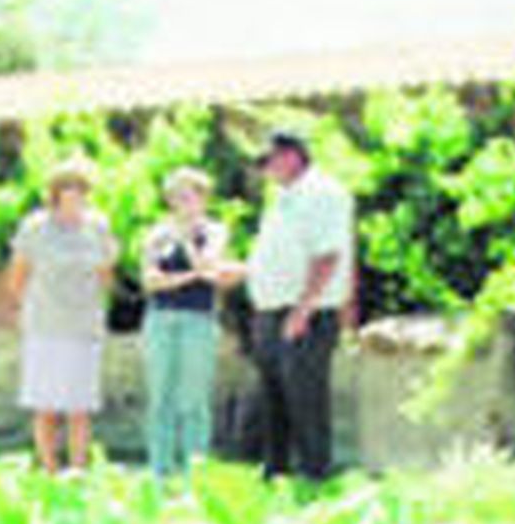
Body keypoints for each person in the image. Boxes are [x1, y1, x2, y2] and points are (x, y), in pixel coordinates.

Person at [242, 128, 354, 480]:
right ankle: (276, 471)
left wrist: (302, 310)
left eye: (268, 161)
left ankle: (315, 472)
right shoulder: (283, 197)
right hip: (272, 311)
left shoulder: (322, 193)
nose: (265, 170)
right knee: (274, 396)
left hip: (304, 313)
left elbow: (328, 256)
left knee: (305, 399)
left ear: (291, 156)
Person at [7, 158, 116, 473]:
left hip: (84, 328)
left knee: (80, 407)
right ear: (55, 193)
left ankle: (79, 471)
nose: (75, 194)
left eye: (81, 188)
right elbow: (17, 277)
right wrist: (30, 310)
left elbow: (107, 277)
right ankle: (50, 469)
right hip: (45, 327)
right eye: (68, 188)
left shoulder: (98, 226)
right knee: (46, 406)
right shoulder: (35, 227)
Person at [139, 166, 228, 477]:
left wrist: (187, 243)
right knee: (160, 396)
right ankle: (159, 471)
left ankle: (196, 473)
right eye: (176, 197)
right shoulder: (156, 233)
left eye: (189, 196)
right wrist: (191, 276)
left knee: (194, 399)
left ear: (203, 198)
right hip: (160, 319)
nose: (183, 203)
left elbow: (208, 266)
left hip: (198, 320)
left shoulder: (214, 231)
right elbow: (150, 281)